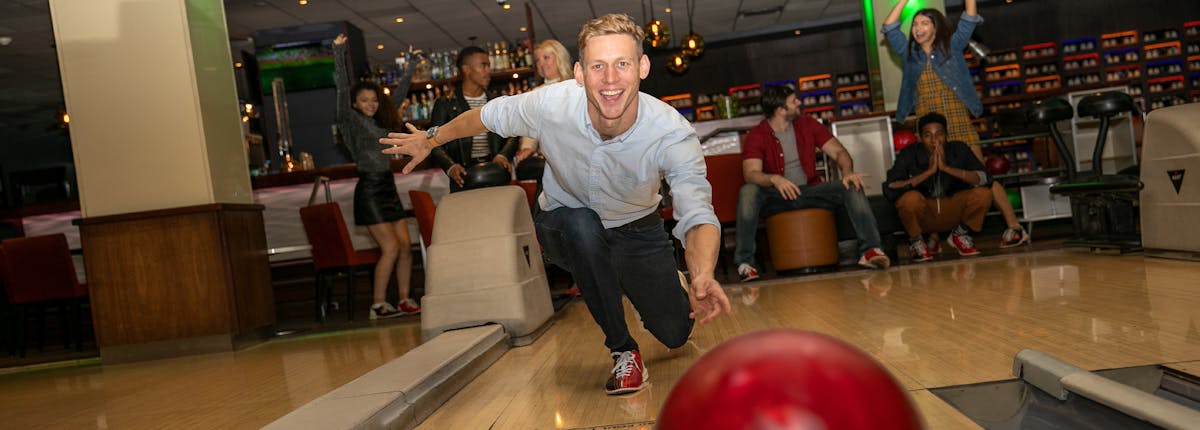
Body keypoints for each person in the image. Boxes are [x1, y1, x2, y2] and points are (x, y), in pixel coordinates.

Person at [381, 13, 731, 396]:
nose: (610, 79)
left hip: (636, 230)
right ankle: (623, 351)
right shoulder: (551, 103)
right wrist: (431, 139)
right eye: (598, 66)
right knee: (583, 226)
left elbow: (696, 212)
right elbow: (482, 118)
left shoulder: (671, 133)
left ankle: (657, 284)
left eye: (622, 64)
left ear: (643, 67)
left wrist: (701, 273)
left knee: (675, 334)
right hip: (564, 225)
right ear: (579, 73)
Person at [882, 0, 1029, 249]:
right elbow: (889, 27)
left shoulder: (952, 46)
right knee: (932, 179)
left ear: (936, 28)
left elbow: (970, 15)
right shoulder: (910, 56)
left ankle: (1014, 226)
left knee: (982, 176)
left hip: (957, 119)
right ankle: (935, 236)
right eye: (915, 24)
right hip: (928, 127)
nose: (917, 28)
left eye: (924, 23)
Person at [735, 85, 890, 283]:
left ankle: (871, 251)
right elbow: (750, 173)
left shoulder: (807, 123)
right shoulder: (758, 134)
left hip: (811, 192)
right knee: (748, 192)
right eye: (794, 101)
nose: (799, 103)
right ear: (780, 110)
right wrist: (774, 179)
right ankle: (745, 264)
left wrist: (847, 172)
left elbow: (839, 152)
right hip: (776, 197)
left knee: (851, 184)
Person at [332, 34, 419, 318]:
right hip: (368, 189)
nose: (370, 104)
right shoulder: (349, 121)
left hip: (387, 187)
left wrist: (411, 66)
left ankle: (404, 299)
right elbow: (342, 89)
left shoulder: (380, 119)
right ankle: (378, 304)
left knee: (406, 247)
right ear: (355, 104)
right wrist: (339, 51)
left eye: (373, 100)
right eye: (364, 100)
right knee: (391, 247)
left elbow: (397, 97)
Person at [884, 113, 993, 261]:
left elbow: (984, 178)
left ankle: (959, 235)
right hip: (925, 215)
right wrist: (928, 172)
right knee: (909, 199)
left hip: (953, 209)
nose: (934, 140)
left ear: (946, 136)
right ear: (920, 138)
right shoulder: (909, 153)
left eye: (939, 134)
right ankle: (917, 241)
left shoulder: (959, 149)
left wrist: (947, 168)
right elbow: (891, 186)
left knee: (983, 194)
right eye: (928, 135)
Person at [428, 46, 518, 192]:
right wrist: (450, 166)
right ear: (466, 69)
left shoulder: (497, 101)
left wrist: (503, 155)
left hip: (495, 172)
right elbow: (432, 140)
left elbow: (514, 132)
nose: (488, 71)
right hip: (462, 175)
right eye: (483, 66)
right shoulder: (446, 103)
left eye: (489, 66)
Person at [514, 39, 574, 163]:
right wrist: (527, 147)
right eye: (538, 60)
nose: (541, 63)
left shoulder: (576, 86)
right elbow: (531, 124)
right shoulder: (536, 93)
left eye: (546, 58)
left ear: (560, 58)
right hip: (552, 159)